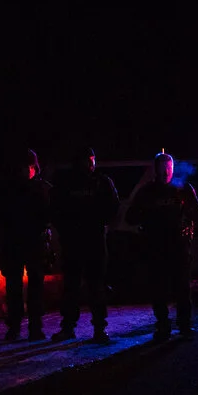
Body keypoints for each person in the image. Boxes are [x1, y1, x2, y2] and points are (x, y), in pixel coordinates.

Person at [126, 151, 198, 341]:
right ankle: (162, 326)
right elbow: (131, 217)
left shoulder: (183, 188)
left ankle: (184, 326)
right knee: (158, 289)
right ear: (156, 169)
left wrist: (187, 213)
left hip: (179, 246)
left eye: (168, 168)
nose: (165, 172)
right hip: (156, 246)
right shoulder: (147, 192)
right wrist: (146, 215)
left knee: (183, 288)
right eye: (162, 168)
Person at [50, 146, 119, 342]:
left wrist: (98, 220)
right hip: (74, 243)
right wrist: (67, 229)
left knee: (96, 287)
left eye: (92, 160)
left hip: (94, 243)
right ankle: (68, 327)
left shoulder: (102, 182)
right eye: (87, 161)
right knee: (71, 287)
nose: (90, 164)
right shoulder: (66, 184)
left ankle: (99, 328)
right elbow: (55, 210)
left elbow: (113, 208)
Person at [0, 149, 53, 342]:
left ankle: (34, 327)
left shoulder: (43, 188)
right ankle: (16, 327)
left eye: (28, 167)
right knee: (14, 287)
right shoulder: (11, 189)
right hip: (16, 243)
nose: (25, 171)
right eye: (22, 167)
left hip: (33, 243)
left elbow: (51, 214)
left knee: (35, 286)